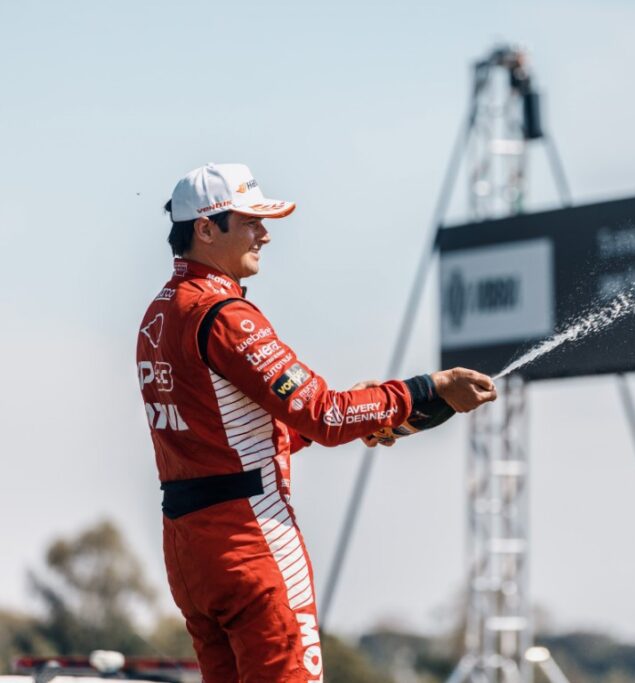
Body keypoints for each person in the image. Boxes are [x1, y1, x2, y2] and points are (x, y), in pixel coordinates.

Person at [136, 163, 497, 682]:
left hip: (189, 550)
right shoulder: (226, 315)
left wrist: (375, 412)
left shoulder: (157, 313)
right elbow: (326, 414)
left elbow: (228, 433)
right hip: (251, 542)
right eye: (251, 222)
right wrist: (426, 390)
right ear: (206, 229)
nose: (265, 235)